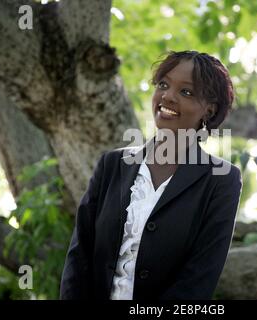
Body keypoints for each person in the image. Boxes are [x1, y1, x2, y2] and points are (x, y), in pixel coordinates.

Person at [60, 50, 242, 300]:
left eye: (186, 92)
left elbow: (200, 276)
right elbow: (79, 254)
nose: (168, 96)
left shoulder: (222, 180)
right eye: (163, 85)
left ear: (209, 111)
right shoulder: (112, 165)